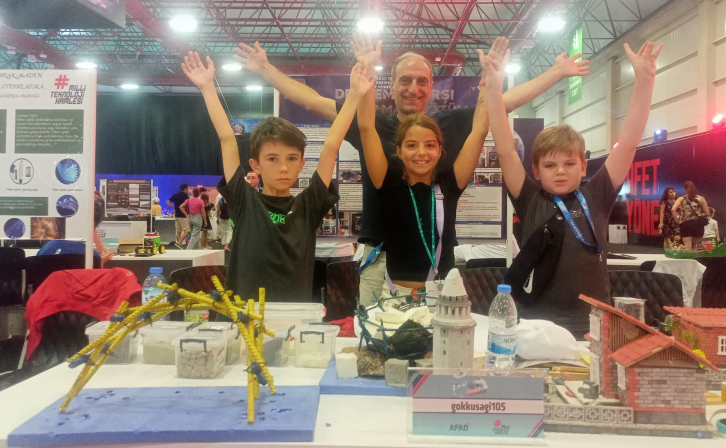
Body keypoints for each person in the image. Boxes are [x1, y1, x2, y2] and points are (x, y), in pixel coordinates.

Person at [235, 35, 591, 305]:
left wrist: (556, 72)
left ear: (431, 87)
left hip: (435, 258)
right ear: (391, 85)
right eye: (405, 80)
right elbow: (313, 101)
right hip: (380, 257)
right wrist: (266, 70)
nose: (413, 88)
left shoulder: (450, 125)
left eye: (422, 81)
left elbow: (501, 104)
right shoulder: (373, 124)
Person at [485, 39, 662, 339]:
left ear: (583, 166)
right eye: (550, 165)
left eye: (569, 163)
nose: (560, 171)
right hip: (537, 326)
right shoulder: (529, 199)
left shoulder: (598, 195)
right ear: (536, 171)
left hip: (592, 327)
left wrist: (645, 80)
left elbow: (628, 143)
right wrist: (493, 87)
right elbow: (504, 149)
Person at [181, 51, 372, 301]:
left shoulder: (308, 205)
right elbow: (227, 138)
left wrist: (355, 94)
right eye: (272, 159)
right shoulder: (244, 200)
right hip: (244, 317)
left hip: (293, 318)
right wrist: (207, 87)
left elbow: (331, 145)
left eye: (291, 159)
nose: (283, 168)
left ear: (302, 164)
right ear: (255, 165)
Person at [356, 62, 488, 301]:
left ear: (439, 151)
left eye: (429, 145)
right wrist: (366, 81)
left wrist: (490, 83)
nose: (421, 153)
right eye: (411, 145)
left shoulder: (449, 185)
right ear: (399, 151)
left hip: (442, 295)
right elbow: (366, 128)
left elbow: (479, 131)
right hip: (393, 296)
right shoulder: (387, 184)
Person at [672, 181, 710, 250]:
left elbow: (673, 209)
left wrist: (677, 221)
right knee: (698, 247)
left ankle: (687, 257)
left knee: (687, 246)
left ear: (685, 189)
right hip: (698, 223)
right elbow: (708, 213)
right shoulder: (701, 198)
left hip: (685, 224)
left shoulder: (681, 199)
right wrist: (700, 214)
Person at [167, 183, 190, 248]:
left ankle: (179, 246)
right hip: (183, 215)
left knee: (178, 231)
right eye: (188, 188)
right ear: (185, 188)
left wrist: (174, 207)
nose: (188, 190)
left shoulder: (175, 195)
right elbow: (188, 204)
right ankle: (179, 243)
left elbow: (168, 202)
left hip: (177, 215)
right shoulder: (185, 196)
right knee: (187, 230)